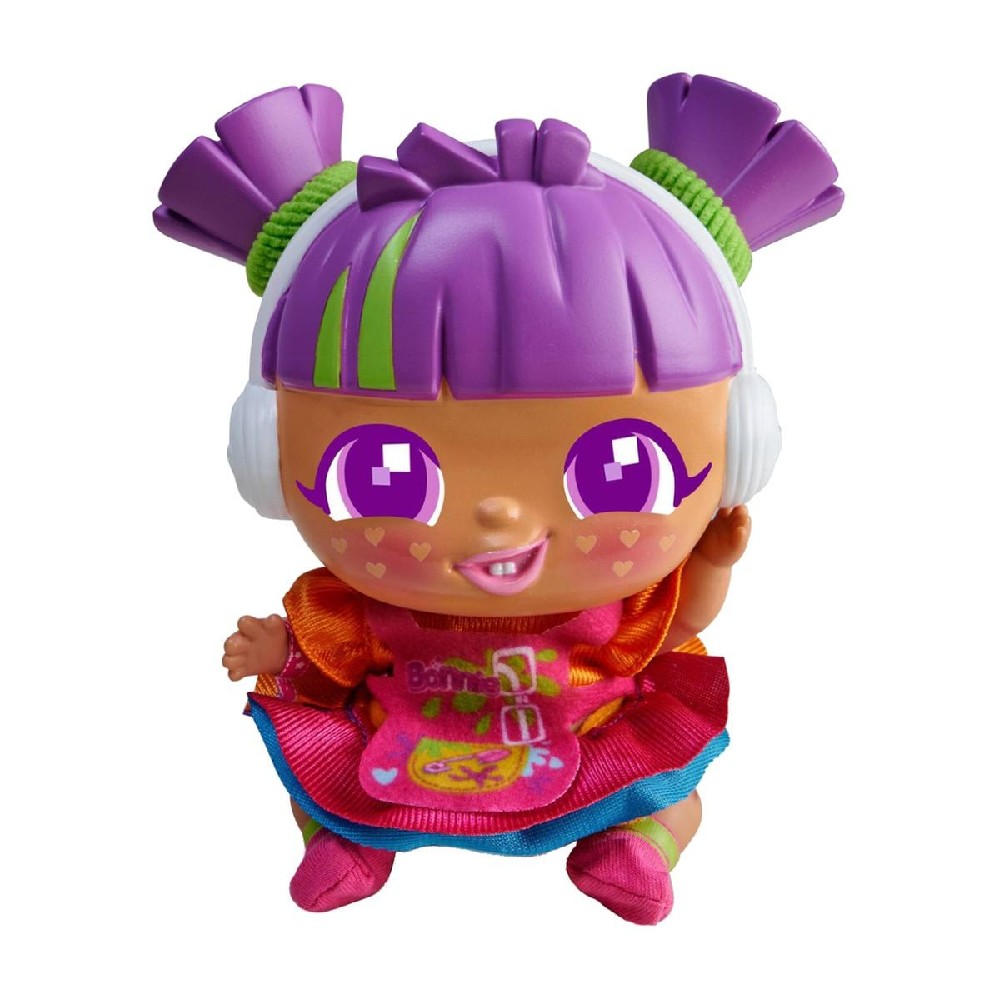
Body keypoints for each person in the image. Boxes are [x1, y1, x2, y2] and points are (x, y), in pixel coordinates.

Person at [154, 73, 842, 924]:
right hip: (402, 739)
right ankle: (343, 841)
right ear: (266, 455)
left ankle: (635, 848)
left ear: (741, 445)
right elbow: (329, 653)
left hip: (588, 734)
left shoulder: (608, 605)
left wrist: (713, 561)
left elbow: (677, 626)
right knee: (318, 781)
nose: (502, 519)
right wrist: (280, 650)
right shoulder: (373, 607)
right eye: (387, 476)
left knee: (671, 792)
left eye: (618, 472)